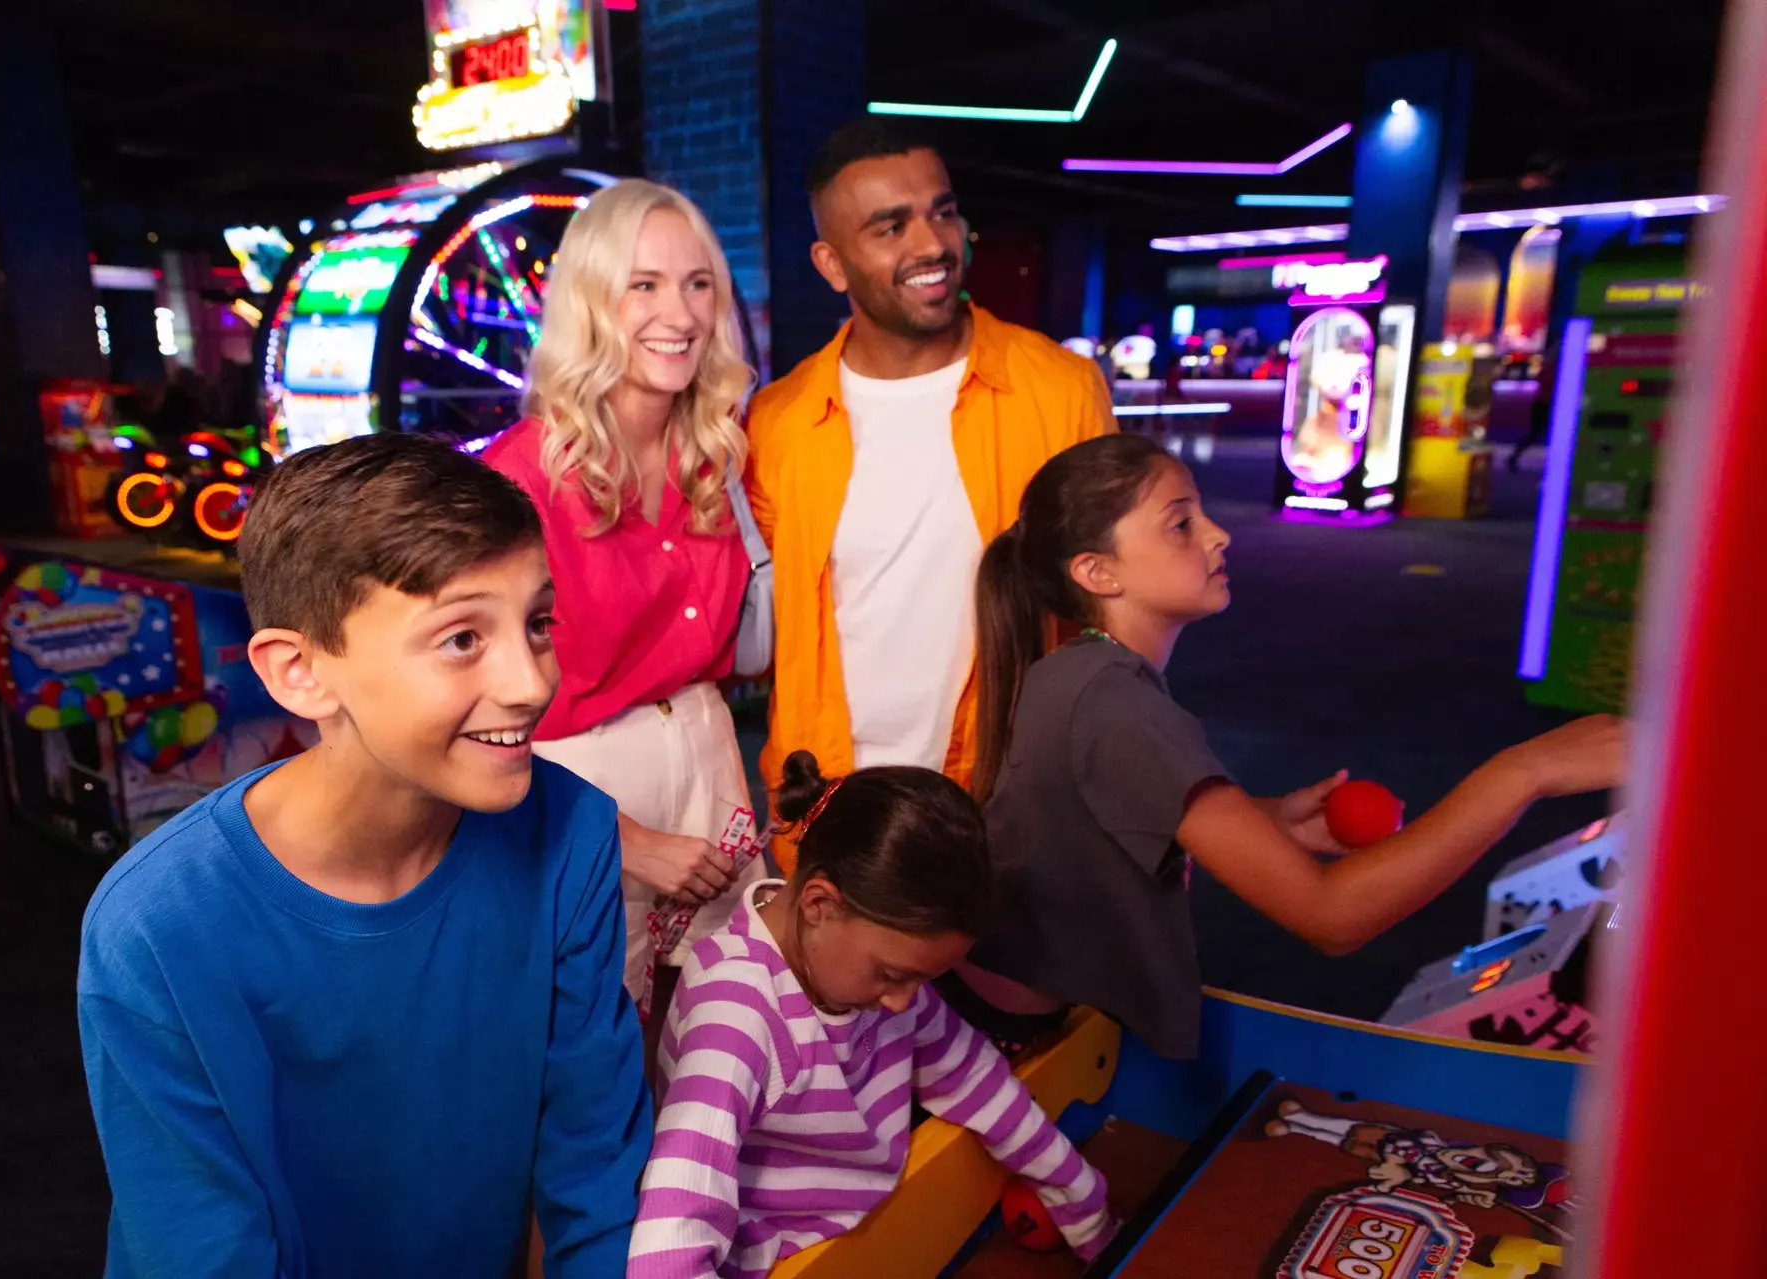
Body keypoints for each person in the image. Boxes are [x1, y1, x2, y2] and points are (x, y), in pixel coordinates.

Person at [77, 434, 650, 1277]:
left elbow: (595, 1163)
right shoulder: (158, 925)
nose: (530, 681)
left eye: (537, 623)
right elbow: (204, 1244)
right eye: (462, 637)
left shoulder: (572, 834)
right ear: (302, 672)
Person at [948, 433, 1625, 1059]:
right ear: (1098, 572)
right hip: (1011, 1040)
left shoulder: (1082, 670)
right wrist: (1525, 770)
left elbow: (1095, 819)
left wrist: (1266, 822)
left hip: (1004, 1006)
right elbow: (1331, 916)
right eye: (1181, 523)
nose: (1218, 536)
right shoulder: (1115, 700)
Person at [745, 119, 1114, 867]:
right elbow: (761, 623)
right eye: (890, 226)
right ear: (832, 263)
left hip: (1015, 805)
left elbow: (1115, 614)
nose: (932, 245)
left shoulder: (1062, 390)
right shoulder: (778, 421)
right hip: (836, 815)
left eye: (942, 212)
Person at [627, 751, 1114, 1279]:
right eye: (892, 974)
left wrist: (1082, 1199)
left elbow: (974, 1079)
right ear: (818, 904)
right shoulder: (735, 1013)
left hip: (872, 1222)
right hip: (781, 1259)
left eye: (921, 980)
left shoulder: (869, 965)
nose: (905, 1003)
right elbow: (669, 1242)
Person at [484, 178, 762, 1028]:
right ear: (592, 300)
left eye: (697, 282)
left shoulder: (721, 451)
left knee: (719, 1027)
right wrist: (629, 842)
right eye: (643, 284)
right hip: (581, 786)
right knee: (596, 1045)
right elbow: (475, 707)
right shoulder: (519, 477)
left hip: (711, 752)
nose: (677, 312)